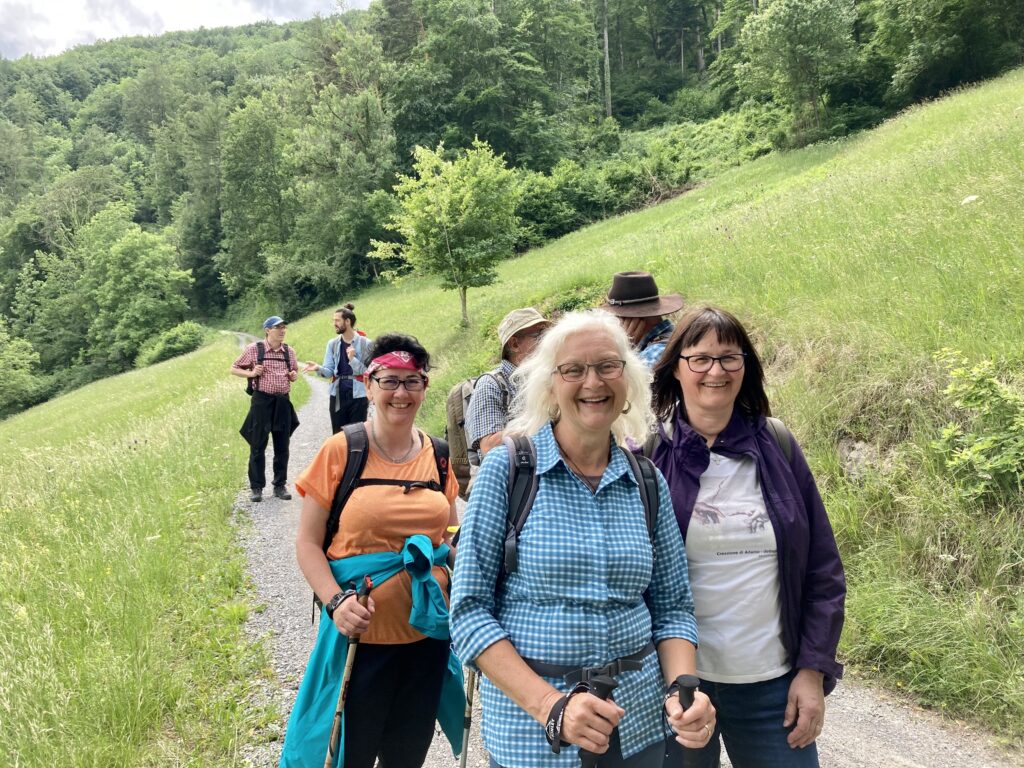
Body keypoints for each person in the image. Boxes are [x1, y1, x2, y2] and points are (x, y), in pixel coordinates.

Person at [451, 310, 715, 768]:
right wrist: (552, 707)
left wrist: (681, 688)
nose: (593, 382)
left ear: (628, 381)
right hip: (533, 738)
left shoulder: (647, 481)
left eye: (608, 366)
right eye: (573, 369)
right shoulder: (509, 471)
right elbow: (470, 612)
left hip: (636, 729)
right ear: (550, 385)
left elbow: (673, 606)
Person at [648, 306, 846, 768]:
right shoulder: (650, 456)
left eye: (729, 358)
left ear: (745, 368)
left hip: (772, 688)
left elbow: (823, 568)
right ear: (676, 368)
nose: (715, 370)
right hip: (679, 687)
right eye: (700, 358)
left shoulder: (778, 446)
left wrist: (812, 671)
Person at [279, 333, 463, 768]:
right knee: (350, 752)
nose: (401, 393)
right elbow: (307, 543)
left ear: (425, 386)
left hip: (428, 635)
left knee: (407, 754)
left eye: (412, 381)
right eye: (389, 381)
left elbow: (449, 535)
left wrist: (472, 586)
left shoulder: (437, 455)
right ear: (369, 382)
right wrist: (336, 601)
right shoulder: (343, 450)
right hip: (361, 637)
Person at [465, 307, 549, 461]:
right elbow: (488, 447)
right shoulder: (490, 384)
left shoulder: (548, 376)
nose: (547, 340)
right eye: (539, 335)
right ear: (515, 344)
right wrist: (541, 420)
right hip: (511, 480)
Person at [232, 316, 299, 502]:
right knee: (257, 445)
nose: (283, 331)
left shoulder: (289, 351)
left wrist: (293, 375)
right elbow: (234, 368)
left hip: (283, 402)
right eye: (278, 327)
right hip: (261, 402)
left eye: (284, 327)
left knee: (282, 446)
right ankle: (256, 487)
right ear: (268, 330)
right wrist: (251, 373)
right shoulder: (254, 349)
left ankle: (279, 485)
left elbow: (294, 372)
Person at [303, 303, 373, 434]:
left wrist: (352, 360)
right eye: (333, 320)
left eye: (337, 320)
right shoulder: (333, 344)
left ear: (347, 321)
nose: (334, 324)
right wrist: (318, 368)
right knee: (338, 435)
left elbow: (369, 372)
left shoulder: (366, 343)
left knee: (358, 435)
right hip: (337, 395)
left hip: (359, 395)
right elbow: (329, 372)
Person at [602, 271, 683, 368]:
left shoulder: (653, 354)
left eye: (616, 317)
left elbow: (628, 382)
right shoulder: (674, 334)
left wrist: (625, 350)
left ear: (633, 320)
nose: (615, 324)